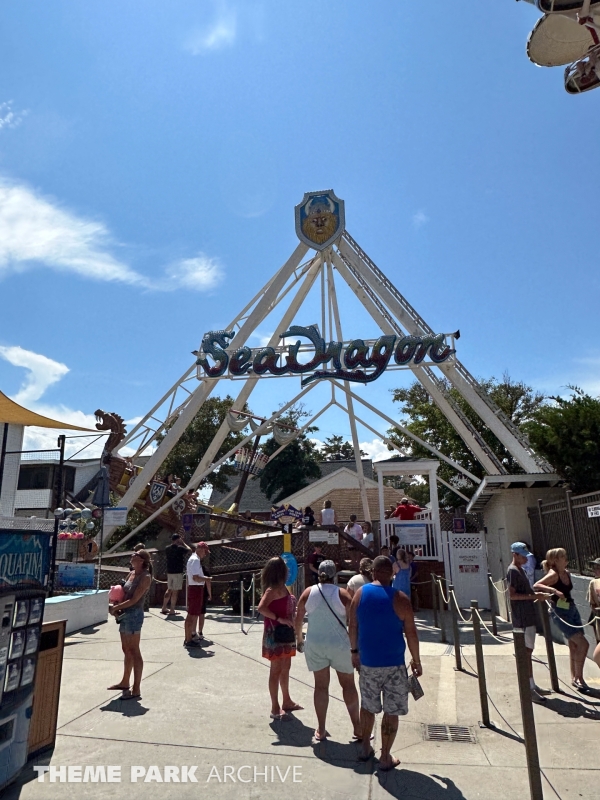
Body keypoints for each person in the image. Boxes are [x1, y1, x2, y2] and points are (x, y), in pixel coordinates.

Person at [348, 555, 422, 770]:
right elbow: (411, 633)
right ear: (392, 574)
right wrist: (416, 660)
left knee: (367, 707)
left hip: (368, 663)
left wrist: (354, 652)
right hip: (394, 664)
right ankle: (385, 756)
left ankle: (365, 748)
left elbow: (352, 625)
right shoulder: (401, 598)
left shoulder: (360, 594)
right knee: (391, 711)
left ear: (373, 572)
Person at [295, 560, 362, 741]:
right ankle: (357, 728)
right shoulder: (342, 594)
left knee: (320, 686)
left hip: (315, 643)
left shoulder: (308, 592)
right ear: (334, 575)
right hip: (340, 645)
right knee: (348, 685)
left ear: (319, 574)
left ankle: (321, 729)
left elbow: (298, 619)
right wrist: (355, 648)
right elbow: (354, 623)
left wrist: (299, 640)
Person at [534, 547, 590, 692]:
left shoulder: (567, 573)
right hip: (560, 612)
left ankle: (575, 677)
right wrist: (554, 590)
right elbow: (537, 585)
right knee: (583, 644)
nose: (566, 559)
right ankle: (579, 678)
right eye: (563, 557)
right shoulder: (553, 574)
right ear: (556, 560)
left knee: (574, 645)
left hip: (572, 609)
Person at [257, 556, 302, 720]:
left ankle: (286, 700)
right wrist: (279, 619)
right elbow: (261, 608)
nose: (288, 570)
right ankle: (275, 707)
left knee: (286, 667)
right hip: (275, 634)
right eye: (285, 567)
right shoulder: (272, 590)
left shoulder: (283, 588)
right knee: (275, 670)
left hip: (286, 633)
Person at [506, 542, 552, 704]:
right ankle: (528, 688)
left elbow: (526, 591)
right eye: (523, 556)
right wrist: (534, 597)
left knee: (528, 652)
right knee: (525, 653)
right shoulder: (513, 571)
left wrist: (538, 594)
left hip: (528, 616)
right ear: (515, 555)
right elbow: (512, 595)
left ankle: (531, 684)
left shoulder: (521, 570)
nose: (526, 559)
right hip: (522, 618)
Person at [107, 549, 153, 700]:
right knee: (126, 649)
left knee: (134, 650)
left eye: (135, 555)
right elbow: (124, 592)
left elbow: (134, 599)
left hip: (134, 615)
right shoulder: (131, 573)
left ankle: (136, 688)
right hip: (124, 613)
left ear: (142, 560)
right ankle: (125, 682)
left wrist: (116, 608)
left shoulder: (145, 577)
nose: (132, 556)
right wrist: (115, 604)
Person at [184, 542, 212, 648]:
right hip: (196, 588)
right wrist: (206, 578)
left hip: (195, 588)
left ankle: (188, 638)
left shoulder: (193, 559)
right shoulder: (195, 560)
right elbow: (196, 577)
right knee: (192, 615)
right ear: (200, 549)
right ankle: (188, 640)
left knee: (192, 614)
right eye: (205, 551)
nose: (205, 554)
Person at [161, 533, 191, 616]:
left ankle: (164, 607)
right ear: (178, 540)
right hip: (177, 572)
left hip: (169, 571)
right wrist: (183, 543)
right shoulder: (180, 548)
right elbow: (189, 550)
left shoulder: (167, 548)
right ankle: (172, 610)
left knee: (169, 589)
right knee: (175, 592)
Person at [587, 557, 600, 669]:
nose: (595, 570)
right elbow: (592, 604)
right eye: (594, 567)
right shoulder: (593, 583)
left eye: (598, 567)